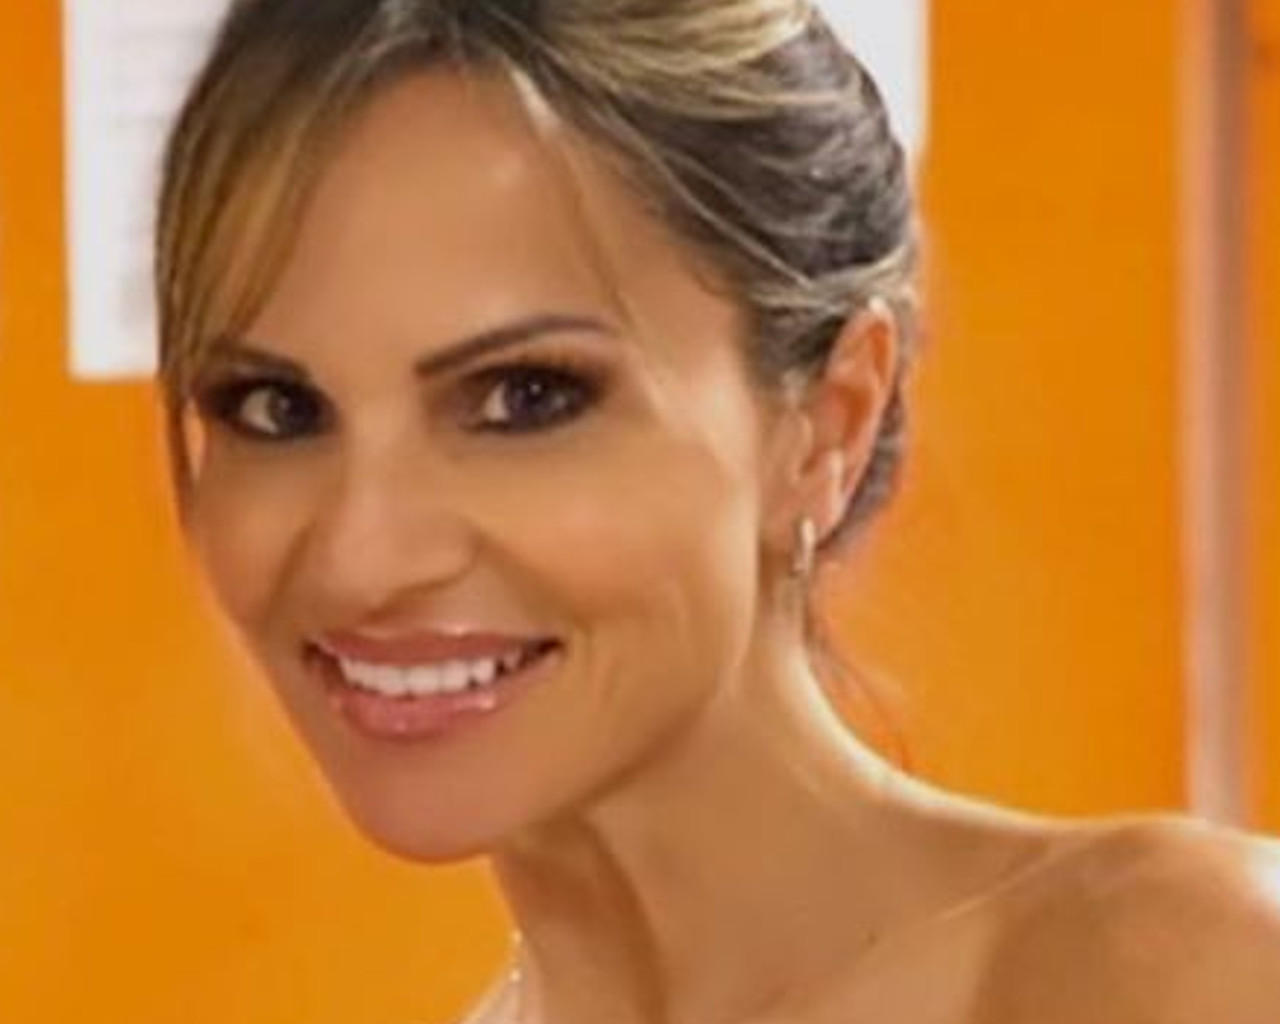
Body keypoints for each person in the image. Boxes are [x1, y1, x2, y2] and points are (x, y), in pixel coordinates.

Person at [153, 1, 1280, 1021]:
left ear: (827, 422)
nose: (360, 557)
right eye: (276, 408)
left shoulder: (1178, 974)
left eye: (525, 397)